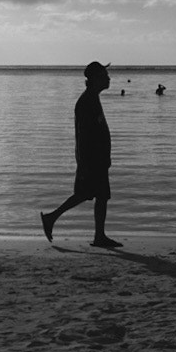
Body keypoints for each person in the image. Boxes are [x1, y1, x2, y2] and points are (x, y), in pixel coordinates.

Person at [40, 61, 122, 248]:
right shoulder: (86, 102)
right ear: (95, 79)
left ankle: (98, 235)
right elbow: (83, 136)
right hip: (91, 159)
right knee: (85, 194)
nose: (108, 79)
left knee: (98, 195)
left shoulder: (93, 98)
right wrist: (84, 162)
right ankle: (52, 218)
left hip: (98, 159)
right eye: (104, 76)